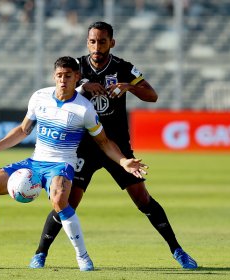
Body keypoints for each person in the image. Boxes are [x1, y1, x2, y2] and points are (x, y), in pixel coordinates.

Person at [0, 56, 147, 272]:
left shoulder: (84, 109)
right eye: (60, 76)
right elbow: (23, 130)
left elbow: (104, 142)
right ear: (54, 76)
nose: (63, 80)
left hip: (61, 165)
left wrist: (124, 161)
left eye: (68, 76)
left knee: (59, 200)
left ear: (77, 78)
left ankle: (83, 257)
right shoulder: (39, 97)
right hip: (35, 162)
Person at [29, 22, 197, 270]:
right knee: (65, 202)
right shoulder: (75, 67)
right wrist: (82, 87)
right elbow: (59, 92)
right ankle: (40, 254)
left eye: (102, 41)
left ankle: (178, 251)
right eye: (93, 41)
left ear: (112, 43)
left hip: (116, 147)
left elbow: (152, 95)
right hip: (83, 147)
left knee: (142, 199)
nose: (97, 47)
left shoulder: (123, 68)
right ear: (88, 42)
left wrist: (128, 86)